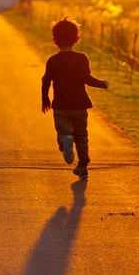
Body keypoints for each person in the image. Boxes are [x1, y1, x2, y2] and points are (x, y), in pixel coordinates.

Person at [41, 17, 109, 180]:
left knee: (64, 131)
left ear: (54, 41)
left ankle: (65, 141)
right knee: (82, 136)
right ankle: (83, 167)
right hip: (79, 106)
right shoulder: (82, 58)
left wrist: (45, 100)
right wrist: (102, 84)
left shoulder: (52, 61)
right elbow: (87, 78)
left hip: (61, 107)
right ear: (77, 39)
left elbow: (46, 81)